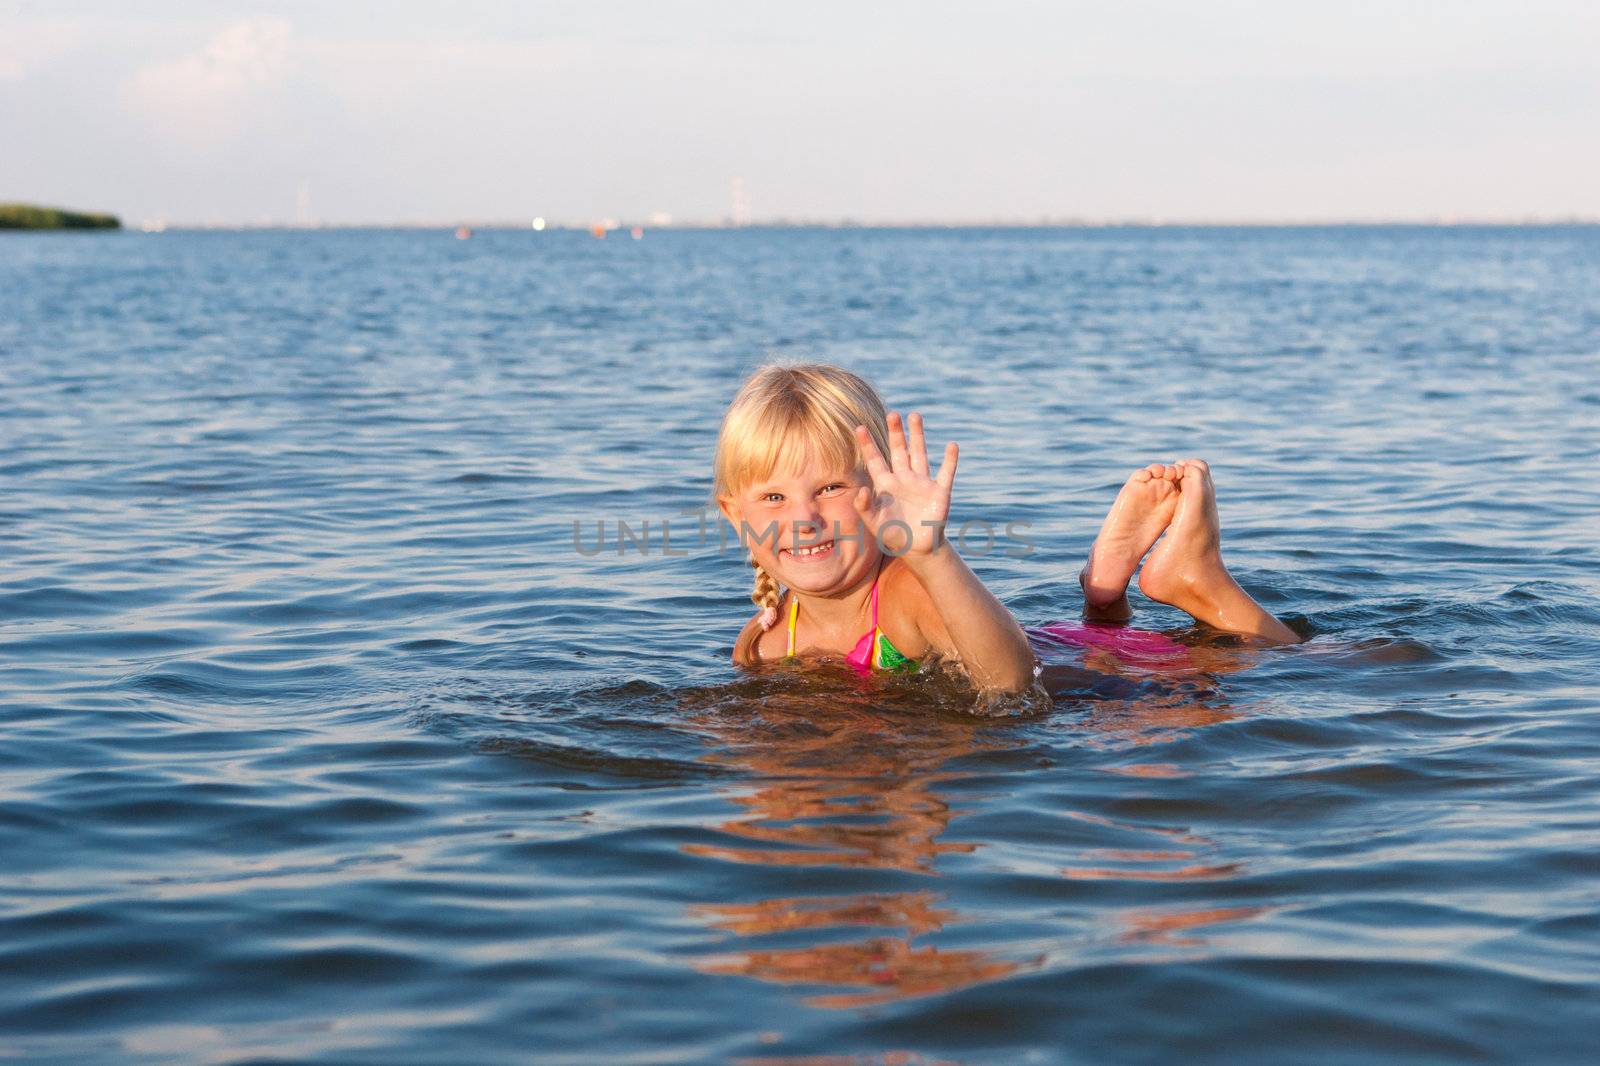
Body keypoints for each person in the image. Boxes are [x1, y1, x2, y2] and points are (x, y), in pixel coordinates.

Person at [712, 364, 1300, 695]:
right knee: (1107, 643)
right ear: (737, 518)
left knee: (1308, 660)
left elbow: (1012, 685)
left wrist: (931, 553)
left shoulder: (904, 592)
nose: (804, 518)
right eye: (772, 497)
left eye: (831, 488)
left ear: (881, 490)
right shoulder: (761, 643)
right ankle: (1105, 599)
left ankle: (1200, 581)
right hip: (1067, 645)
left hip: (1119, 684)